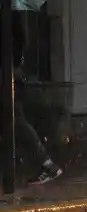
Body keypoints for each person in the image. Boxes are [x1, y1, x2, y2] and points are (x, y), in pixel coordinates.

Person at [12, 13, 62, 184]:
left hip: (9, 77)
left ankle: (47, 164)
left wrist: (15, 65)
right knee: (15, 121)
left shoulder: (10, 17)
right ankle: (46, 164)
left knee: (16, 121)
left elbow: (18, 42)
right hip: (10, 74)